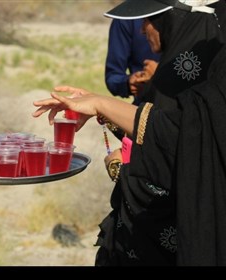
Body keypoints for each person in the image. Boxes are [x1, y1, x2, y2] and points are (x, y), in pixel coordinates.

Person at [33, 0, 225, 266]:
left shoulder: (199, 80)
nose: (141, 29)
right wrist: (103, 107)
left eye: (148, 20)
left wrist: (124, 172)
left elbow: (176, 143)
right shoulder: (177, 69)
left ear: (171, 20)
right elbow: (156, 127)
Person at [105, 19, 160, 105]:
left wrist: (160, 75)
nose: (142, 30)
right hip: (143, 109)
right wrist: (130, 83)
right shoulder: (125, 19)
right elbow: (113, 76)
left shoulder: (186, 18)